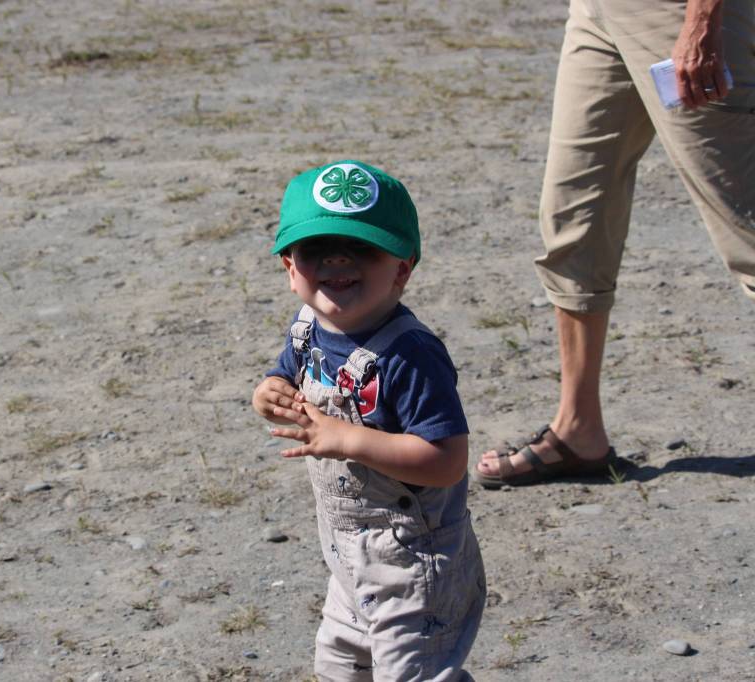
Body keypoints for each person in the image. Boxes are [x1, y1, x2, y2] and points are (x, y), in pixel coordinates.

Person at [473, 0, 755, 488]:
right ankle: (579, 431)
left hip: (679, 14)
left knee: (745, 226)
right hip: (600, 10)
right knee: (574, 214)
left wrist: (701, 19)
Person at [252, 160, 485, 681]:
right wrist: (267, 393)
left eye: (361, 246)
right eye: (317, 249)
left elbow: (447, 461)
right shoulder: (308, 328)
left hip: (413, 561)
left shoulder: (411, 355)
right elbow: (284, 375)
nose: (338, 258)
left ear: (402, 268)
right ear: (290, 268)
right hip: (347, 556)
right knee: (338, 668)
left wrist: (348, 439)